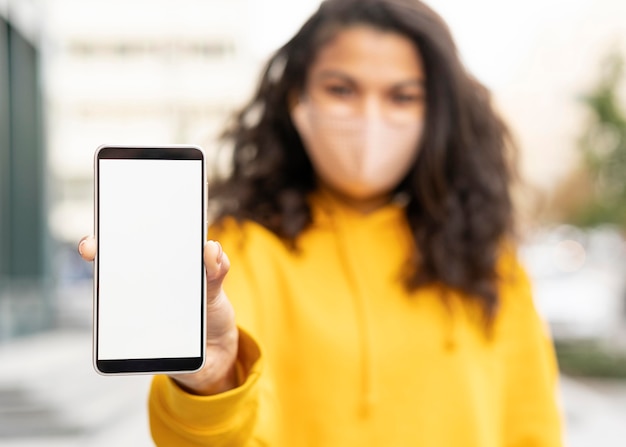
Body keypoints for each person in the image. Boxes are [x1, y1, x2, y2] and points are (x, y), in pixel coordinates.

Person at [79, 0, 564, 445]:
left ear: (435, 113)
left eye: (401, 97)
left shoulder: (486, 257)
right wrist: (213, 384)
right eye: (341, 89)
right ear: (297, 100)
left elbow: (533, 428)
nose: (369, 117)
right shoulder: (235, 253)